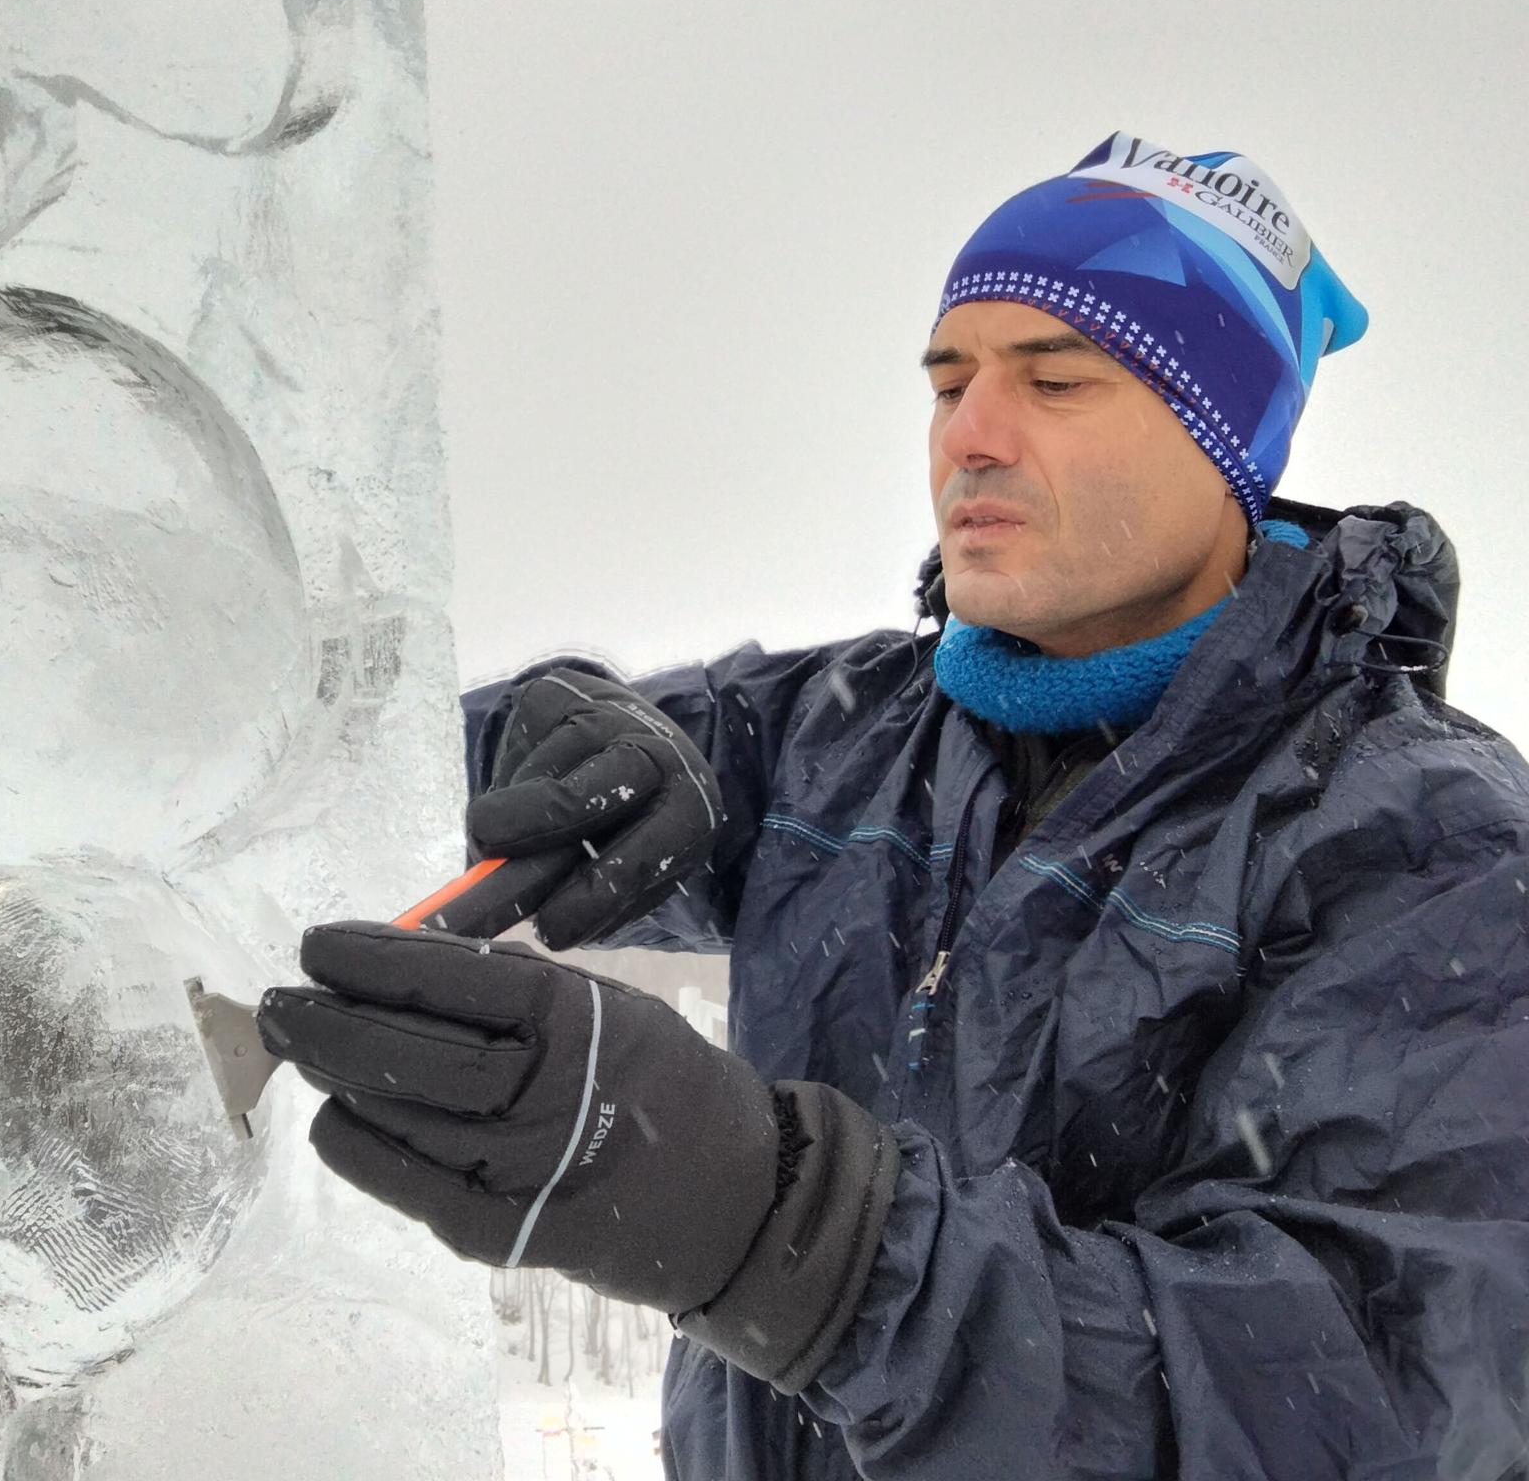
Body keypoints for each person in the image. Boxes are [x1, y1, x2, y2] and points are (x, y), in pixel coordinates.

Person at [259, 133, 1529, 1480]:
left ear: (1222, 443)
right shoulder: (849, 734)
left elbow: (1349, 1410)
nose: (969, 435)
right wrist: (547, 731)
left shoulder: (1429, 852)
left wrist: (778, 1232)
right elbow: (382, 768)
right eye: (948, 381)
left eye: (1054, 379)